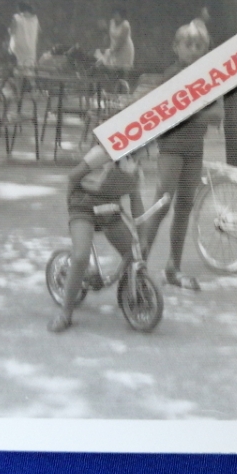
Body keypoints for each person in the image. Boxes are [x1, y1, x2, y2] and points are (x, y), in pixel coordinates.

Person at [141, 13, 219, 291]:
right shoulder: (172, 75)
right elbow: (166, 114)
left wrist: (189, 112)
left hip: (194, 149)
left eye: (199, 46)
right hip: (172, 148)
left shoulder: (208, 78)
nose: (194, 50)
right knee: (162, 204)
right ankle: (138, 263)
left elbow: (218, 114)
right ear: (176, 47)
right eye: (188, 45)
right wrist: (196, 112)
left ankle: (173, 267)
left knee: (184, 207)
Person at [48, 143, 149, 333]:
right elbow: (73, 177)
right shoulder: (100, 154)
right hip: (83, 206)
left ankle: (131, 291)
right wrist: (72, 206)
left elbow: (136, 202)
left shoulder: (135, 166)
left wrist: (142, 235)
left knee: (135, 251)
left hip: (109, 210)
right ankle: (65, 313)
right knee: (81, 256)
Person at [7, 2, 40, 68]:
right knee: (29, 68)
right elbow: (38, 32)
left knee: (16, 67)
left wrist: (9, 29)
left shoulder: (17, 18)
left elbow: (12, 31)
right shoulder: (35, 19)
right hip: (30, 48)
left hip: (18, 48)